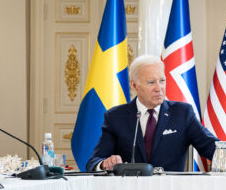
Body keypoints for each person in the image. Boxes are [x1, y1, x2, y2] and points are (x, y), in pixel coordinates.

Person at [86, 55, 218, 172]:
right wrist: (104, 164)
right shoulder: (115, 117)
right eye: (151, 82)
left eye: (162, 81)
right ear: (134, 85)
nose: (159, 88)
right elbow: (94, 161)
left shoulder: (182, 113)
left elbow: (210, 145)